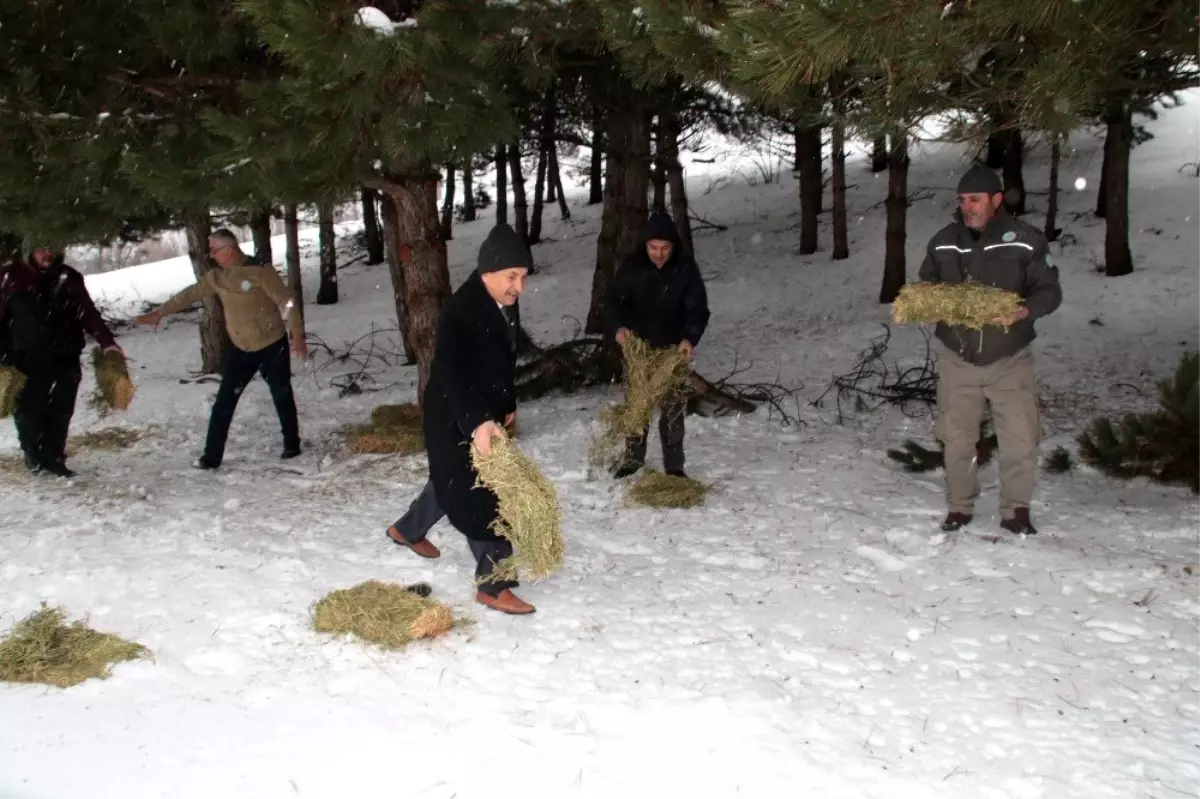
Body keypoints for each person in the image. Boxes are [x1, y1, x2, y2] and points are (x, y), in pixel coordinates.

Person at [919, 164, 1063, 535]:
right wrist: (923, 305)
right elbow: (926, 285)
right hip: (958, 357)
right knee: (956, 437)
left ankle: (1016, 509)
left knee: (1019, 435)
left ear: (996, 200)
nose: (968, 207)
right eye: (963, 200)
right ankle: (959, 506)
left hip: (1009, 358)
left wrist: (1026, 310)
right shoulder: (943, 241)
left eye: (976, 199)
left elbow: (1049, 289)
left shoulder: (1026, 241)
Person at [417, 223, 533, 615]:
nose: (519, 286)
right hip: (454, 414)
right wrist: (480, 421)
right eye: (511, 277)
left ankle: (407, 528)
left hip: (482, 412)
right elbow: (453, 373)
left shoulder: (500, 301)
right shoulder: (459, 314)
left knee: (450, 482)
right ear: (487, 273)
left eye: (523, 277)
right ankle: (494, 585)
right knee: (483, 496)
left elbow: (499, 363)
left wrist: (506, 402)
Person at [134, 228, 306, 469]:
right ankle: (211, 457)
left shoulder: (260, 271)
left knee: (282, 395)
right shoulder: (218, 276)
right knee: (224, 401)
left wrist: (296, 333)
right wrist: (159, 312)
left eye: (214, 250)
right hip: (241, 349)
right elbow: (191, 294)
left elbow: (285, 301)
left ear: (229, 249)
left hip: (271, 345)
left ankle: (292, 444)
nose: (211, 255)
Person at [604, 209, 710, 479]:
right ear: (645, 245)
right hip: (639, 350)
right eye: (653, 247)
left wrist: (689, 338)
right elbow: (613, 302)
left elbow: (699, 308)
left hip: (671, 351)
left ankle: (674, 467)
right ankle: (632, 459)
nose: (659, 254)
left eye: (665, 248)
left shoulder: (685, 269)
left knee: (673, 410)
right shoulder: (632, 267)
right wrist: (620, 329)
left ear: (673, 246)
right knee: (637, 406)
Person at [0, 247, 123, 477]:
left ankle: (54, 458)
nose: (47, 254)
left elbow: (87, 312)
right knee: (30, 411)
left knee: (61, 410)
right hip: (26, 359)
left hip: (65, 356)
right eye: (41, 249)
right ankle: (34, 455)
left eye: (52, 249)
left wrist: (107, 343)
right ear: (30, 250)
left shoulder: (69, 277)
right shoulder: (10, 277)